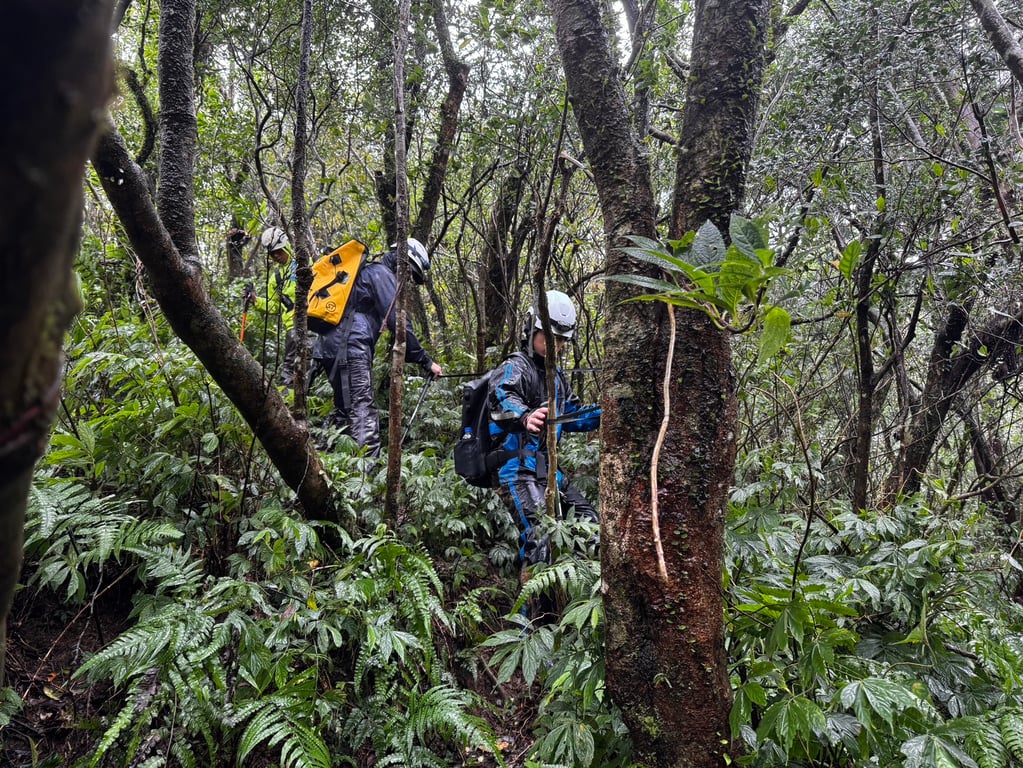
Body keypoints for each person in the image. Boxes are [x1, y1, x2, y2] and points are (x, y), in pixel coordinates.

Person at [488, 289, 601, 579]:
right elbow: (501, 397)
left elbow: (574, 417)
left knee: (591, 524)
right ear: (532, 330)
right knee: (540, 537)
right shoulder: (515, 366)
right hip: (517, 470)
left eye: (562, 340)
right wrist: (525, 416)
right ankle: (531, 608)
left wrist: (607, 413)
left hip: (549, 472)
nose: (556, 345)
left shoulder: (558, 378)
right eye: (550, 337)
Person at [312, 237, 443, 457]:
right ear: (403, 263)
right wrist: (426, 361)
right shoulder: (381, 274)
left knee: (345, 408)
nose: (409, 280)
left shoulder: (367, 273)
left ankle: (323, 458)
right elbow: (399, 323)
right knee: (362, 408)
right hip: (350, 347)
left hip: (330, 346)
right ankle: (368, 470)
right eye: (410, 273)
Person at [244, 227, 307, 389]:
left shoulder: (303, 262)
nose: (277, 256)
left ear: (286, 245)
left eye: (279, 251)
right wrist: (255, 300)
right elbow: (274, 306)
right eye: (273, 254)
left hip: (314, 320)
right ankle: (289, 399)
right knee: (290, 370)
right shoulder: (276, 279)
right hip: (292, 328)